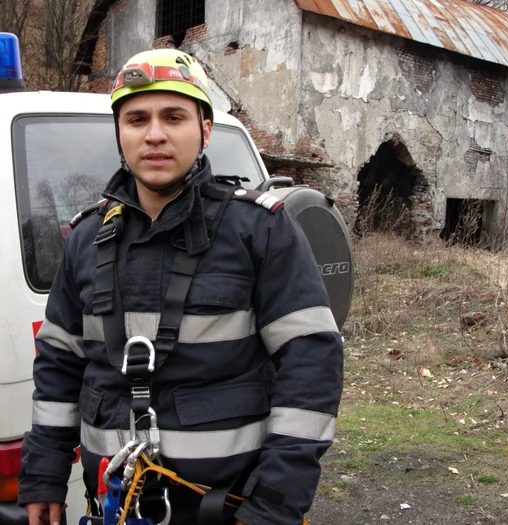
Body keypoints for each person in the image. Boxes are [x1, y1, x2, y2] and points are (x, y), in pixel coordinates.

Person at [18, 48, 344, 525]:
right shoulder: (87, 237)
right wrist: (44, 472)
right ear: (119, 133)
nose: (154, 134)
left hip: (225, 509)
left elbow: (311, 365)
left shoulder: (259, 230)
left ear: (205, 130)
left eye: (174, 116)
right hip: (113, 506)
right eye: (136, 119)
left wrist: (273, 504)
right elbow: (59, 366)